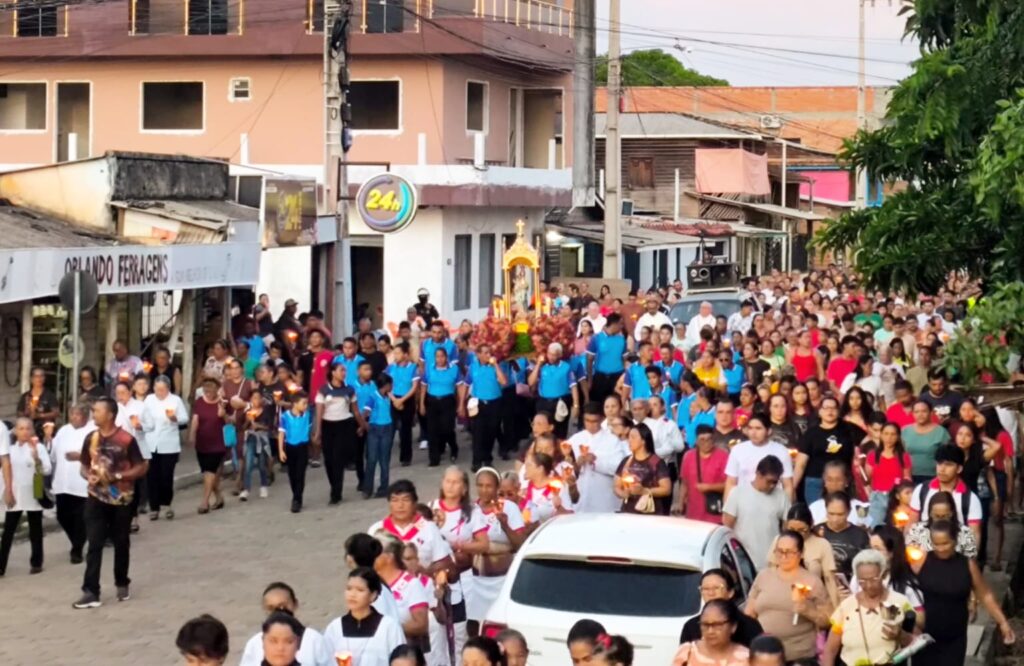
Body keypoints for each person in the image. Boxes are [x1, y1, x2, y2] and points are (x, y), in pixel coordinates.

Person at [74, 397, 147, 608]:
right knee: (94, 543)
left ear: (110, 414)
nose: (93, 414)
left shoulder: (125, 439)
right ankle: (91, 591)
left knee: (121, 542)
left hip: (121, 499)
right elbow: (84, 466)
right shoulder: (91, 438)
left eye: (97, 410)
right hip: (96, 497)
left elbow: (141, 467)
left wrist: (116, 476)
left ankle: (121, 581)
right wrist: (89, 476)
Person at [911, 520, 1016, 666]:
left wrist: (1003, 623)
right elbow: (906, 590)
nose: (941, 549)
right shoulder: (921, 561)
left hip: (955, 637)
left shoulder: (967, 565)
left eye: (945, 543)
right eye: (936, 544)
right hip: (925, 635)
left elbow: (985, 595)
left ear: (954, 541)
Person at [745, 530, 832, 665]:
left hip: (798, 655)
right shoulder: (764, 576)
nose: (784, 556)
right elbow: (750, 613)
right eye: (780, 551)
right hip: (765, 655)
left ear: (801, 553)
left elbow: (827, 620)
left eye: (790, 552)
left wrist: (807, 610)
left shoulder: (812, 581)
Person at [821, 549, 915, 666]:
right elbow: (830, 650)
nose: (869, 585)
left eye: (874, 579)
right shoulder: (847, 606)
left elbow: (917, 641)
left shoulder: (899, 602)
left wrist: (900, 635)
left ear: (884, 574)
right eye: (862, 581)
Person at [468, 468, 526, 630]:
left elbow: (520, 544)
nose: (484, 490)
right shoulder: (470, 510)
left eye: (489, 486)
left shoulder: (509, 508)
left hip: (503, 579)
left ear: (497, 487)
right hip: (476, 580)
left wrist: (505, 524)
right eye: (480, 485)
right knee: (474, 626)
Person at [323, 568, 406, 665]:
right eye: (349, 589)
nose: (352, 595)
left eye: (360, 590)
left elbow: (402, 661)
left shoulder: (389, 627)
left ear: (373, 595)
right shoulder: (335, 628)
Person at [0, 418, 51, 576]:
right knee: (8, 531)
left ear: (32, 431)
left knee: (35, 529)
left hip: (33, 490)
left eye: (28, 428)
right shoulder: (10, 449)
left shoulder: (39, 447)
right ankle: (1, 566)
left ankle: (36, 563)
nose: (24, 432)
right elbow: (4, 471)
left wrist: (36, 457)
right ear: (15, 431)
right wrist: (5, 491)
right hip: (15, 493)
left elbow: (47, 470)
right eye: (21, 429)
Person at [238, 582, 331, 666]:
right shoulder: (254, 643)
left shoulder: (313, 638)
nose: (277, 612)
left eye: (282, 606)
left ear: (295, 604)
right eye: (271, 608)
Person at [723, 454, 790, 569]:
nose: (772, 486)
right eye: (769, 481)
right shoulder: (738, 493)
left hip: (772, 560)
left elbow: (787, 528)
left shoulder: (782, 496)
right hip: (743, 558)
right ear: (758, 474)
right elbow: (727, 526)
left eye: (775, 482)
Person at [766, 503, 840, 606]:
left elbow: (829, 580)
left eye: (802, 531)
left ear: (811, 525)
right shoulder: (778, 540)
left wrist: (836, 608)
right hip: (781, 598)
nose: (796, 534)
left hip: (812, 600)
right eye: (791, 530)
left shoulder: (822, 544)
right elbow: (771, 569)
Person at [49, 404, 95, 564]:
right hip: (63, 482)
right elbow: (53, 454)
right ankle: (77, 541)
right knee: (62, 515)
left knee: (80, 518)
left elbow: (98, 454)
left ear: (85, 416)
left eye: (77, 414)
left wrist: (81, 456)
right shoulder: (63, 430)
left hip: (81, 483)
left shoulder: (92, 431)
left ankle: (76, 549)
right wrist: (49, 440)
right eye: (71, 414)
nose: (73, 417)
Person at [909, 444, 982, 540]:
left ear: (959, 469)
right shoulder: (921, 490)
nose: (942, 469)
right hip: (923, 548)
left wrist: (971, 554)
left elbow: (975, 535)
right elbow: (911, 524)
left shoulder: (970, 499)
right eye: (939, 463)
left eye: (948, 465)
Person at [315, 362, 363, 505]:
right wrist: (318, 431)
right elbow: (319, 412)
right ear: (333, 373)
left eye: (345, 371)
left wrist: (362, 425)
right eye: (341, 370)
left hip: (344, 425)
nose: (344, 373)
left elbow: (355, 410)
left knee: (338, 459)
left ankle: (336, 493)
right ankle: (334, 485)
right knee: (329, 460)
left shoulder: (349, 390)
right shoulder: (323, 390)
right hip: (328, 425)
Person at [141, 375, 188, 520]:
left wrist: (175, 419)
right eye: (157, 389)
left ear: (168, 389)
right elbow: (143, 417)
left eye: (162, 389)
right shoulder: (149, 399)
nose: (159, 392)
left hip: (169, 444)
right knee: (152, 477)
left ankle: (167, 504)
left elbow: (185, 418)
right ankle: (154, 507)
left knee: (166, 476)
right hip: (151, 443)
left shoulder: (175, 400)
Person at [569, 402, 629, 513]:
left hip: (604, 499)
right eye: (587, 421)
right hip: (582, 495)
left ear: (602, 419)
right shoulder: (575, 439)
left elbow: (619, 467)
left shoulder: (612, 440)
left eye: (594, 421)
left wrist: (596, 462)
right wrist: (576, 465)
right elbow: (566, 468)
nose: (590, 424)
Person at [794, 397, 857, 503]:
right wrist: (793, 487)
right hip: (815, 481)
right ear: (820, 412)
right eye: (826, 408)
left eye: (833, 408)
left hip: (841, 481)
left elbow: (868, 442)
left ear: (838, 411)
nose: (830, 411)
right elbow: (800, 463)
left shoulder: (848, 430)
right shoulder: (811, 433)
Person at [373, 533, 431, 648]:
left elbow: (421, 625)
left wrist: (385, 627)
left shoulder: (411, 584)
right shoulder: (370, 583)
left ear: (389, 557)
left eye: (375, 553)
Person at [679, 569, 764, 646]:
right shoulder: (691, 627)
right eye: (705, 589)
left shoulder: (749, 625)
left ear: (730, 592)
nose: (711, 593)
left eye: (717, 588)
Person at [724, 414, 795, 502]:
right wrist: (727, 509)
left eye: (758, 428)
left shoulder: (781, 451)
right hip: (744, 503)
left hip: (773, 503)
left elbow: (788, 485)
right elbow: (731, 482)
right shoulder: (738, 450)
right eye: (750, 428)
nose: (753, 433)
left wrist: (787, 511)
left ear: (768, 431)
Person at [460, 344, 508, 472]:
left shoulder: (496, 366)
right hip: (478, 403)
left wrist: (496, 365)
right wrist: (461, 403)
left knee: (491, 432)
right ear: (479, 354)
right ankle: (476, 461)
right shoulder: (473, 367)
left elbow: (503, 382)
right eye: (485, 353)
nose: (488, 355)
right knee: (477, 433)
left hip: (494, 403)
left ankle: (487, 459)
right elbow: (466, 384)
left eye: (489, 353)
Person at [614, 423, 672, 515]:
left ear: (643, 441)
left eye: (633, 437)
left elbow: (666, 489)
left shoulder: (655, 461)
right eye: (629, 437)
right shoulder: (626, 461)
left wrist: (644, 491)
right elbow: (616, 486)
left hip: (650, 513)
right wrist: (623, 494)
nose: (629, 441)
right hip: (628, 511)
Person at [672, 599, 750, 666]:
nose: (710, 631)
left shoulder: (746, 658)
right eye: (705, 625)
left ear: (733, 626)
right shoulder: (687, 653)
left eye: (717, 625)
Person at [190, 376, 227, 514]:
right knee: (207, 473)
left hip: (219, 443)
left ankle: (204, 502)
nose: (208, 389)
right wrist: (192, 435)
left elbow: (231, 421)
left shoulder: (223, 402)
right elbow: (195, 420)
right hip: (202, 442)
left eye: (211, 386)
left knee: (210, 471)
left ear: (217, 388)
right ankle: (219, 497)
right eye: (206, 386)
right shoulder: (199, 402)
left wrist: (223, 415)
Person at [905, 490, 979, 558]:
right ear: (930, 513)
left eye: (944, 516)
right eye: (936, 516)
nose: (940, 520)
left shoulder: (964, 532)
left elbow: (970, 561)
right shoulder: (917, 530)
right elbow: (910, 557)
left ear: (952, 513)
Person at [864, 422, 912, 526]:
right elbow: (868, 478)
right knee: (874, 525)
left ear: (898, 436)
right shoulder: (873, 455)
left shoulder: (903, 457)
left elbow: (907, 479)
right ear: (881, 435)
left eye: (893, 434)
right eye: (886, 434)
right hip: (878, 497)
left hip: (896, 497)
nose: (889, 437)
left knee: (898, 526)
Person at [529, 342, 580, 440]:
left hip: (560, 402)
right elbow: (531, 382)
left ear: (560, 355)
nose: (551, 357)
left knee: (560, 430)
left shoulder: (566, 367)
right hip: (543, 402)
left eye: (554, 355)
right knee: (543, 428)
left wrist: (576, 405)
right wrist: (538, 364)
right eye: (549, 354)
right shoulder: (543, 367)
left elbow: (574, 386)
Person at [679, 424, 729, 524]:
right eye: (702, 440)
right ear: (696, 441)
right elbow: (684, 483)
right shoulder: (688, 456)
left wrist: (709, 487)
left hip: (714, 513)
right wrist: (680, 504)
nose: (706, 443)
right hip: (693, 513)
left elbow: (728, 485)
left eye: (709, 439)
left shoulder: (723, 456)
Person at [819, 491, 871, 587]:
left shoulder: (860, 535)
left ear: (849, 512)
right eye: (831, 513)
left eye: (840, 514)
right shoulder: (816, 532)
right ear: (826, 510)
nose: (835, 519)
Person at [421, 347, 461, 466]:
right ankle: (434, 458)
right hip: (432, 400)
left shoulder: (454, 369)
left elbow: (459, 386)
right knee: (432, 430)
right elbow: (423, 386)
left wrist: (461, 404)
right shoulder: (429, 368)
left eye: (442, 356)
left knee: (447, 428)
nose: (440, 359)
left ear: (446, 357)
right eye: (437, 356)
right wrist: (422, 403)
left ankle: (454, 447)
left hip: (448, 400)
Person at [278, 391, 312, 513]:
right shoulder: (285, 417)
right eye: (303, 403)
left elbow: (310, 428)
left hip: (303, 446)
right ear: (295, 403)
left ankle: (296, 499)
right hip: (290, 447)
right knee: (292, 474)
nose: (306, 406)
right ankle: (296, 495)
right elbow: (281, 434)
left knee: (300, 474)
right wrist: (281, 450)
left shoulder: (307, 415)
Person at [387, 342, 421, 467]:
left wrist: (402, 400)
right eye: (394, 353)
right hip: (393, 399)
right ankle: (385, 455)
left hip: (407, 399)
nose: (395, 355)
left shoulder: (413, 368)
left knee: (405, 430)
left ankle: (406, 457)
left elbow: (414, 387)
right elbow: (385, 385)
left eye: (398, 353)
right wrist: (393, 398)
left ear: (406, 354)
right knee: (390, 429)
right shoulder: (390, 367)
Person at [902, 400, 951, 484]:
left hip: (933, 477)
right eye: (916, 412)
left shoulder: (941, 432)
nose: (920, 414)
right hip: (908, 477)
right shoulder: (905, 431)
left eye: (924, 411)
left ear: (931, 413)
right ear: (912, 413)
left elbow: (947, 457)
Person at [808, 461, 870, 527]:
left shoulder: (861, 508)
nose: (834, 484)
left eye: (838, 480)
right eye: (829, 480)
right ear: (824, 482)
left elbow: (870, 530)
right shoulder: (814, 507)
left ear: (846, 481)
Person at [18, 366, 60, 436]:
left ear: (44, 378)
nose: (39, 379)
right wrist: (26, 413)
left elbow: (56, 413)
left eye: (41, 376)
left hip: (45, 431)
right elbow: (19, 413)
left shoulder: (49, 395)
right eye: (36, 376)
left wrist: (39, 415)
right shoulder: (26, 396)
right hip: (28, 431)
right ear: (31, 379)